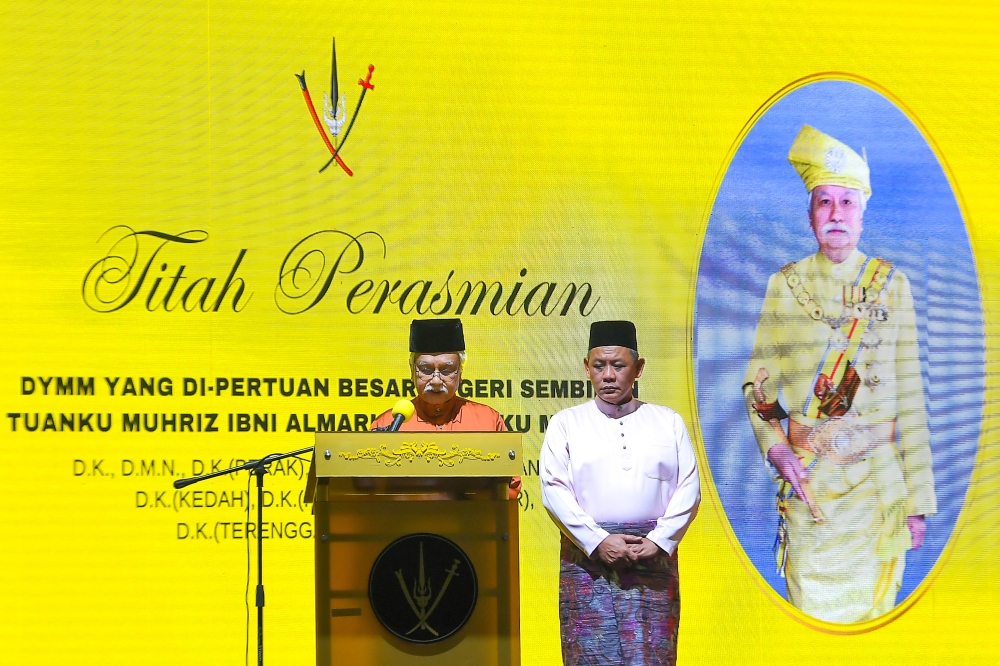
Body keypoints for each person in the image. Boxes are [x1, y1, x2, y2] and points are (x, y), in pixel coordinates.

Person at [743, 125, 937, 623]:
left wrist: (917, 501)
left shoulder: (892, 286)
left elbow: (911, 398)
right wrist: (776, 447)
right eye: (823, 202)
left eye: (846, 203)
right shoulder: (784, 286)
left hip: (877, 493)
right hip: (813, 490)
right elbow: (757, 387)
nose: (835, 215)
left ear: (863, 212)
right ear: (809, 214)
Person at [540, 320, 700, 666]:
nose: (608, 375)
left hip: (652, 558)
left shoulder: (667, 421)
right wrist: (598, 541)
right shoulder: (566, 423)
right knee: (589, 654)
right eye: (599, 366)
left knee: (653, 655)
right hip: (588, 560)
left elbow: (689, 487)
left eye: (618, 365)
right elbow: (553, 490)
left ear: (638, 368)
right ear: (587, 368)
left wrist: (659, 541)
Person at [371, 318, 521, 498]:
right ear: (412, 371)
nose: (435, 380)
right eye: (425, 369)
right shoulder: (389, 424)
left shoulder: (487, 420)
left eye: (446, 370)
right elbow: (370, 490)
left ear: (460, 373)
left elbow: (511, 488)